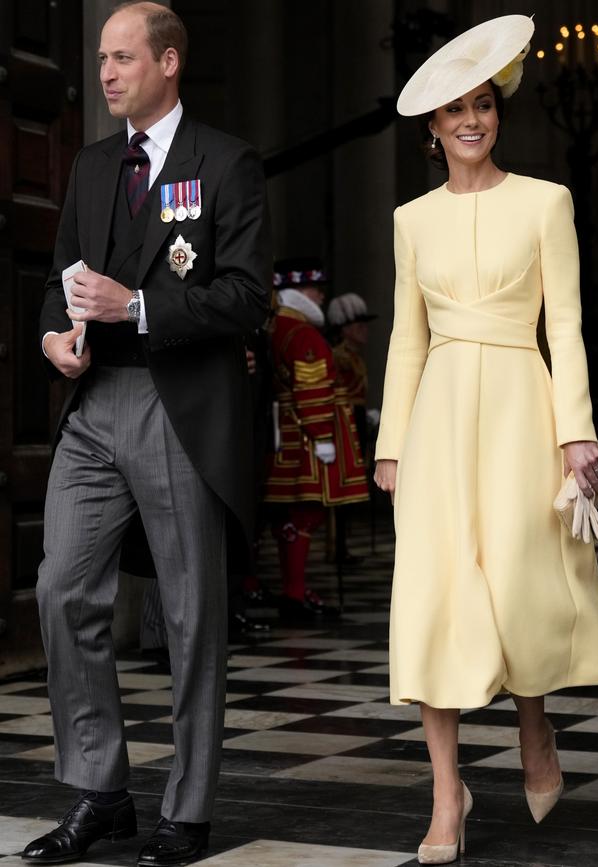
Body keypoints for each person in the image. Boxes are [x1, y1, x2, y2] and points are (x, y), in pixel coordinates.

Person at [373, 15, 598, 865]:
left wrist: (575, 435)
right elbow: (407, 338)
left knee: (522, 580)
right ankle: (447, 793)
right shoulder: (412, 221)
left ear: (496, 113)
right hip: (439, 416)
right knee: (433, 594)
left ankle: (535, 726)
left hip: (523, 405)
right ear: (433, 129)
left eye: (484, 104)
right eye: (456, 110)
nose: (473, 120)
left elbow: (569, 324)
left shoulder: (545, 203)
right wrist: (391, 442)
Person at [23, 3, 270, 865]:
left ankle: (188, 810)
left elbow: (246, 296)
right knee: (61, 589)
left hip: (180, 403)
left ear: (169, 62)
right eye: (100, 58)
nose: (106, 73)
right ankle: (102, 791)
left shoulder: (227, 163)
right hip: (95, 406)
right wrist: (54, 335)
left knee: (192, 611)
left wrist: (136, 304)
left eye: (123, 57)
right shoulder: (93, 167)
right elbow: (59, 282)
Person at [264, 259, 369, 621]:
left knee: (288, 517)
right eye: (315, 288)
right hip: (305, 438)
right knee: (306, 513)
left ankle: (293, 589)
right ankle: (294, 593)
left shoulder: (277, 327)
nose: (320, 295)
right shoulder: (302, 333)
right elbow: (312, 388)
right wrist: (323, 436)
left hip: (286, 432)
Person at [327, 292, 377, 458]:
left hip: (358, 419)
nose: (364, 329)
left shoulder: (356, 357)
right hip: (344, 422)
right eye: (358, 324)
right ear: (344, 329)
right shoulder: (338, 357)